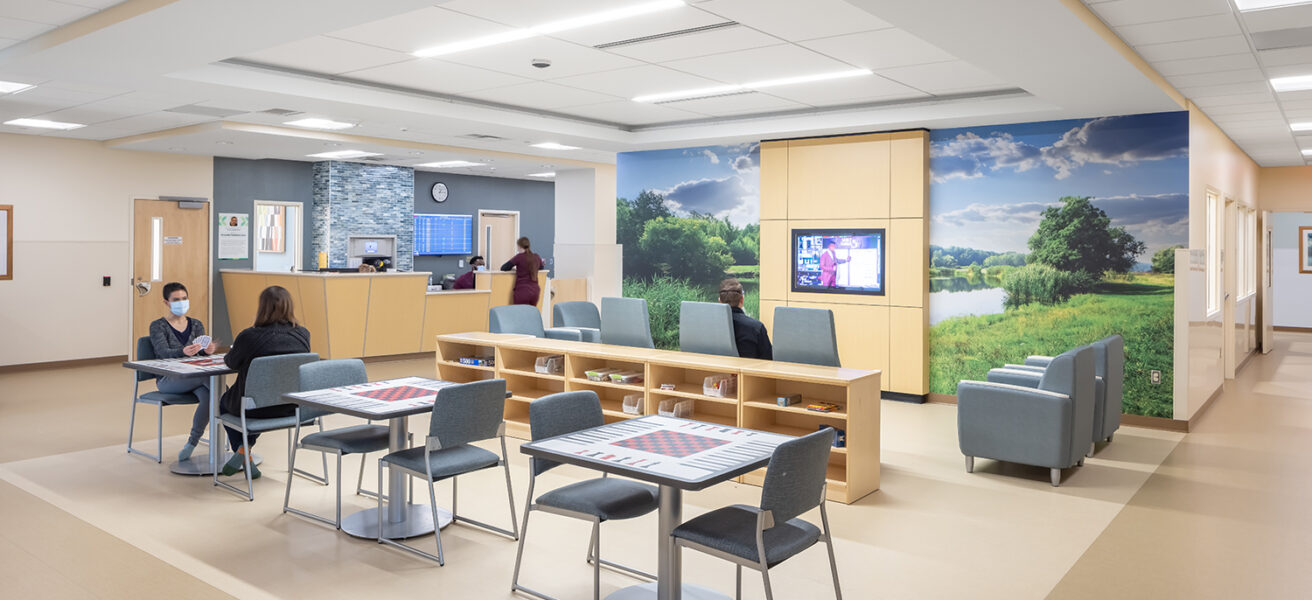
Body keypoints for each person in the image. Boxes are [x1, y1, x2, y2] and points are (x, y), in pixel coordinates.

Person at [218, 285, 311, 478]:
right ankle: (245, 452)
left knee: (224, 401)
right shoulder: (303, 334)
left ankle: (243, 451)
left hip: (255, 409)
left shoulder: (249, 336)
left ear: (262, 308)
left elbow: (231, 362)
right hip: (291, 406)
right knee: (256, 399)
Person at [148, 282, 219, 462]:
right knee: (217, 387)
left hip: (195, 378)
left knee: (211, 395)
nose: (181, 302)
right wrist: (182, 352)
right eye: (176, 300)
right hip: (170, 379)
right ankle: (239, 434)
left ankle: (192, 443)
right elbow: (162, 352)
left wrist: (207, 350)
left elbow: (200, 351)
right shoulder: (158, 326)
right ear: (166, 302)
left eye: (184, 298)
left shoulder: (196, 324)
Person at [719, 278, 772, 360]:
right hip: (750, 372)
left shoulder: (709, 326)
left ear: (720, 301)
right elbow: (768, 359)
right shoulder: (756, 327)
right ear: (742, 300)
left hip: (716, 372)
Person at [500, 237, 545, 305]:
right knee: (531, 314)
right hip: (535, 291)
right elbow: (541, 267)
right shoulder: (536, 256)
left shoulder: (519, 257)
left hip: (522, 291)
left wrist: (515, 269)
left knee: (520, 313)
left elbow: (503, 268)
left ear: (519, 246)